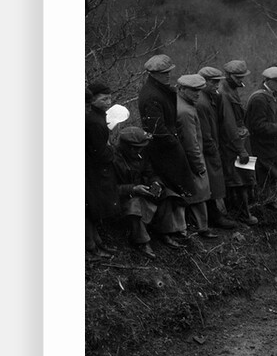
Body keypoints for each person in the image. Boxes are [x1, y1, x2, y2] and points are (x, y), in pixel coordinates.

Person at [112, 127, 187, 258]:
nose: (138, 151)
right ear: (127, 147)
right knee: (134, 206)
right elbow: (109, 189)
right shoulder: (113, 160)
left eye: (140, 148)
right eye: (135, 148)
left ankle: (164, 232)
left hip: (143, 191)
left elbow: (151, 173)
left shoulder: (141, 156)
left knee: (167, 194)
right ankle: (142, 242)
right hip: (124, 198)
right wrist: (133, 189)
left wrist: (156, 184)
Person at [137, 54, 194, 199]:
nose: (168, 75)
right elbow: (157, 130)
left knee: (177, 190)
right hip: (163, 152)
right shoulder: (152, 96)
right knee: (169, 191)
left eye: (169, 72)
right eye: (164, 73)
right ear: (153, 74)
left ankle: (184, 220)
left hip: (168, 148)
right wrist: (174, 143)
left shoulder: (160, 91)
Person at [175, 74, 216, 239]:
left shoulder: (183, 103)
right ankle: (200, 228)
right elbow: (191, 142)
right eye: (193, 90)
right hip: (189, 160)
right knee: (197, 193)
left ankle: (195, 227)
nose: (197, 94)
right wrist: (198, 164)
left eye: (199, 90)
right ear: (181, 89)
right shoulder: (185, 111)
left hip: (185, 159)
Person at [196, 66, 237, 230]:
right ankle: (215, 217)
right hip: (208, 149)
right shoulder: (202, 102)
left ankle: (217, 214)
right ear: (203, 82)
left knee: (215, 183)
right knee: (212, 183)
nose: (216, 86)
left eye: (217, 82)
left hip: (215, 145)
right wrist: (213, 149)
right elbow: (205, 132)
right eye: (213, 83)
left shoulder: (212, 98)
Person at [218, 59, 258, 225]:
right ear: (228, 75)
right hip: (233, 144)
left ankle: (244, 211)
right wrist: (240, 149)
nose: (241, 80)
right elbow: (229, 124)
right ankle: (242, 214)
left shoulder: (231, 89)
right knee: (238, 179)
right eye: (238, 77)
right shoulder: (224, 93)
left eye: (243, 76)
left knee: (245, 177)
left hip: (240, 140)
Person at [245, 66, 277, 212]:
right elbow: (258, 126)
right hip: (260, 144)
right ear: (268, 81)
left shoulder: (270, 94)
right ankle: (266, 203)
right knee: (265, 172)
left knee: (271, 171)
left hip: (269, 142)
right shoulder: (259, 98)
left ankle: (271, 200)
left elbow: (272, 112)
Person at [85, 82, 120, 259]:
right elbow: (100, 153)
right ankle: (90, 245)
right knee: (92, 207)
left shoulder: (97, 118)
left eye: (110, 98)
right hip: (94, 171)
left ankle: (96, 242)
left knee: (94, 208)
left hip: (96, 170)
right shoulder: (94, 122)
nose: (109, 101)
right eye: (104, 99)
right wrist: (111, 150)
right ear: (93, 99)